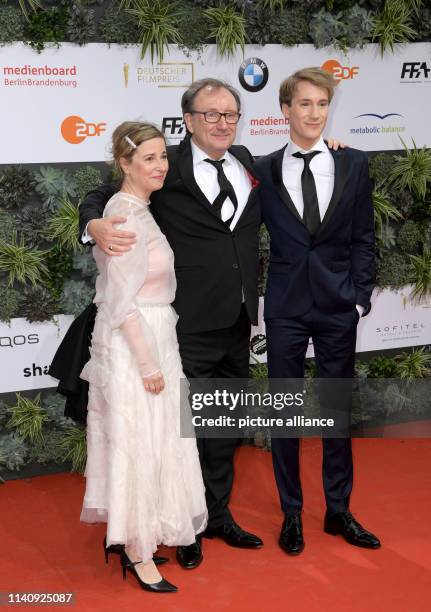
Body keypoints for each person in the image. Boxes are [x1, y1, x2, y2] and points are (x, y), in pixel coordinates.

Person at [79, 79, 264, 569]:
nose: (222, 123)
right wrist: (92, 224)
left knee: (224, 427)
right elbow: (109, 193)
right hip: (187, 325)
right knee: (181, 431)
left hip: (239, 318)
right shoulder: (164, 167)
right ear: (188, 120)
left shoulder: (246, 159)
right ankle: (186, 528)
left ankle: (217, 514)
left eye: (231, 114)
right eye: (211, 114)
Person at [255, 67, 380, 555]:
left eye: (322, 105)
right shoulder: (261, 168)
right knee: (284, 412)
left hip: (336, 306)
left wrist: (359, 295)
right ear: (285, 110)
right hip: (285, 306)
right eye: (304, 104)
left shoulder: (353, 163)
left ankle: (338, 510)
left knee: (335, 411)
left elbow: (363, 236)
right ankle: (291, 512)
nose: (314, 113)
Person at [79, 121, 207, 593]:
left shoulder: (141, 207)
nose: (160, 166)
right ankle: (137, 550)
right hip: (138, 341)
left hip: (156, 334)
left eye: (163, 157)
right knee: (140, 440)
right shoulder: (123, 216)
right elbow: (121, 300)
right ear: (124, 163)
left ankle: (140, 537)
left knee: (156, 439)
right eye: (148, 157)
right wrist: (149, 363)